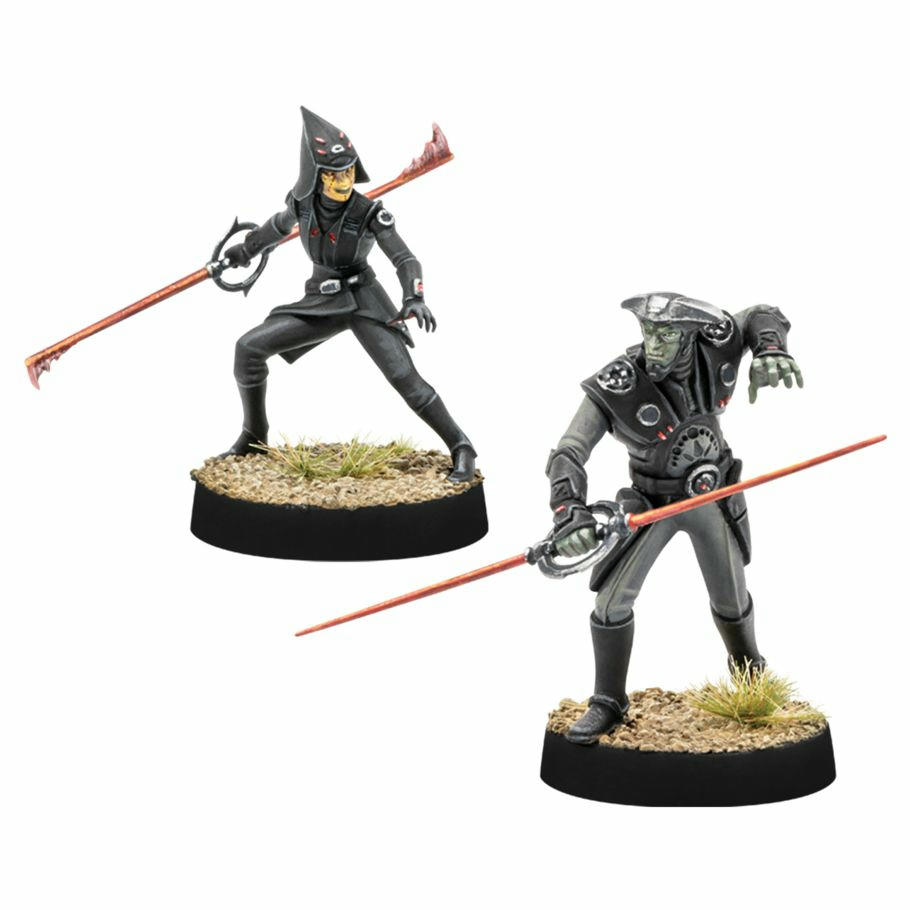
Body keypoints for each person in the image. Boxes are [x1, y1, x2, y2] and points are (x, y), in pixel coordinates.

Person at [546, 292, 802, 743]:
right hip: (653, 503)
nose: (653, 346)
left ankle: (751, 676)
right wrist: (569, 512)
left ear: (690, 336)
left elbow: (763, 314)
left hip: (712, 494)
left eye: (665, 336)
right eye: (648, 333)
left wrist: (770, 349)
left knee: (731, 597)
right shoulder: (618, 384)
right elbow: (568, 452)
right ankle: (608, 699)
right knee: (611, 604)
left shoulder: (716, 347)